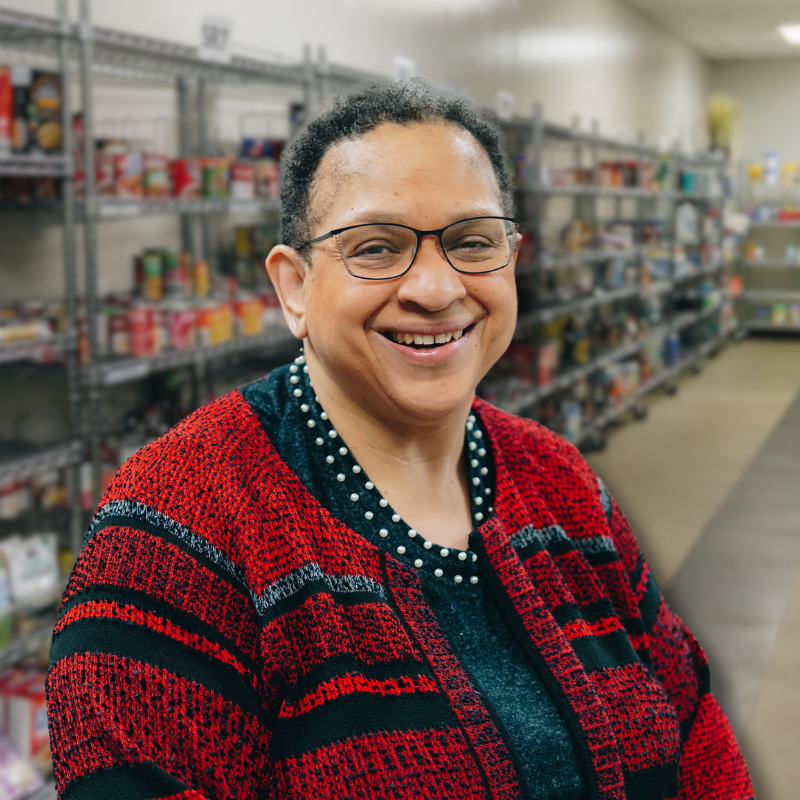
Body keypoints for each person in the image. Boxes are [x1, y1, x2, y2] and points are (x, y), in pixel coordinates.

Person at [45, 79, 753, 800]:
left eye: (472, 241)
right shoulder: (179, 525)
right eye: (377, 247)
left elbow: (692, 722)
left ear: (511, 261)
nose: (437, 289)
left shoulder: (561, 481)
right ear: (294, 287)